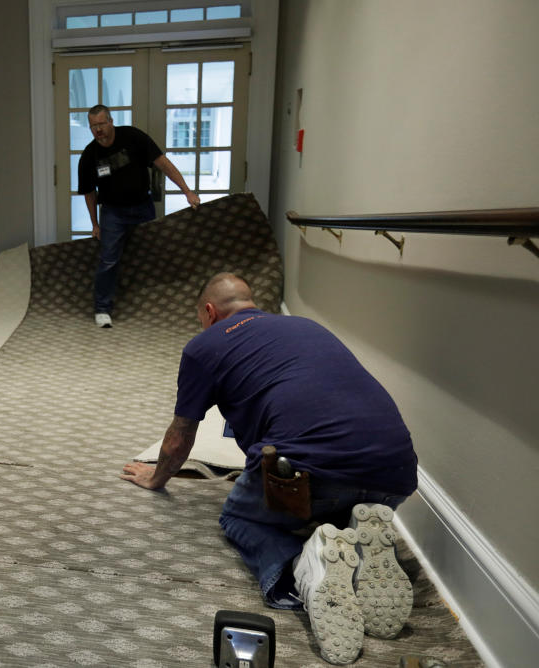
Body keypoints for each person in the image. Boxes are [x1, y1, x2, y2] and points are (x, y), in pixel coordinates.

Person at [120, 273, 418, 665]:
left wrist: (156, 476)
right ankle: (359, 544)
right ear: (250, 303)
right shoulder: (305, 326)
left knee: (239, 519)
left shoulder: (203, 346)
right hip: (395, 473)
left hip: (311, 475)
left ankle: (306, 568)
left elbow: (182, 432)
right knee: (332, 504)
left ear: (209, 312)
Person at [77, 104, 200, 328]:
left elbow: (163, 164)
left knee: (152, 255)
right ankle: (102, 309)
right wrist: (95, 224)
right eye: (93, 126)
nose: (99, 130)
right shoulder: (89, 156)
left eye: (102, 124)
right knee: (109, 260)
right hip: (113, 213)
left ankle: (157, 303)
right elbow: (88, 193)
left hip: (142, 207)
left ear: (111, 121)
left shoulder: (133, 138)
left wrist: (187, 191)